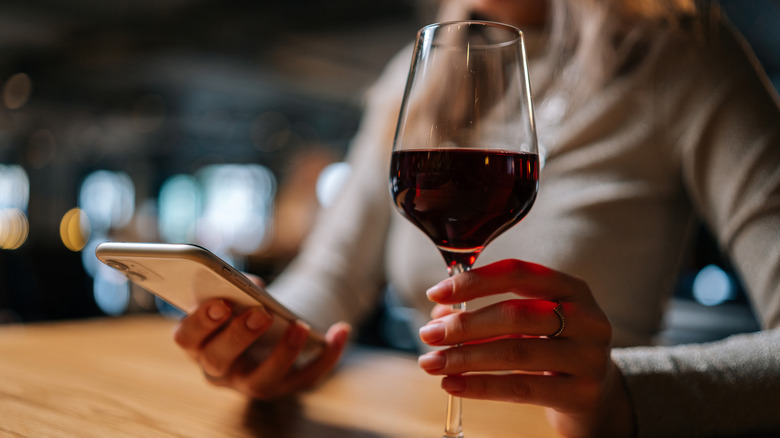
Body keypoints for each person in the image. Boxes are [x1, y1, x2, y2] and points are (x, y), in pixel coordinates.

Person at [172, 0, 780, 436]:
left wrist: (622, 394)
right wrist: (265, 335)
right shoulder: (417, 72)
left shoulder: (683, 50)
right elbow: (331, 277)